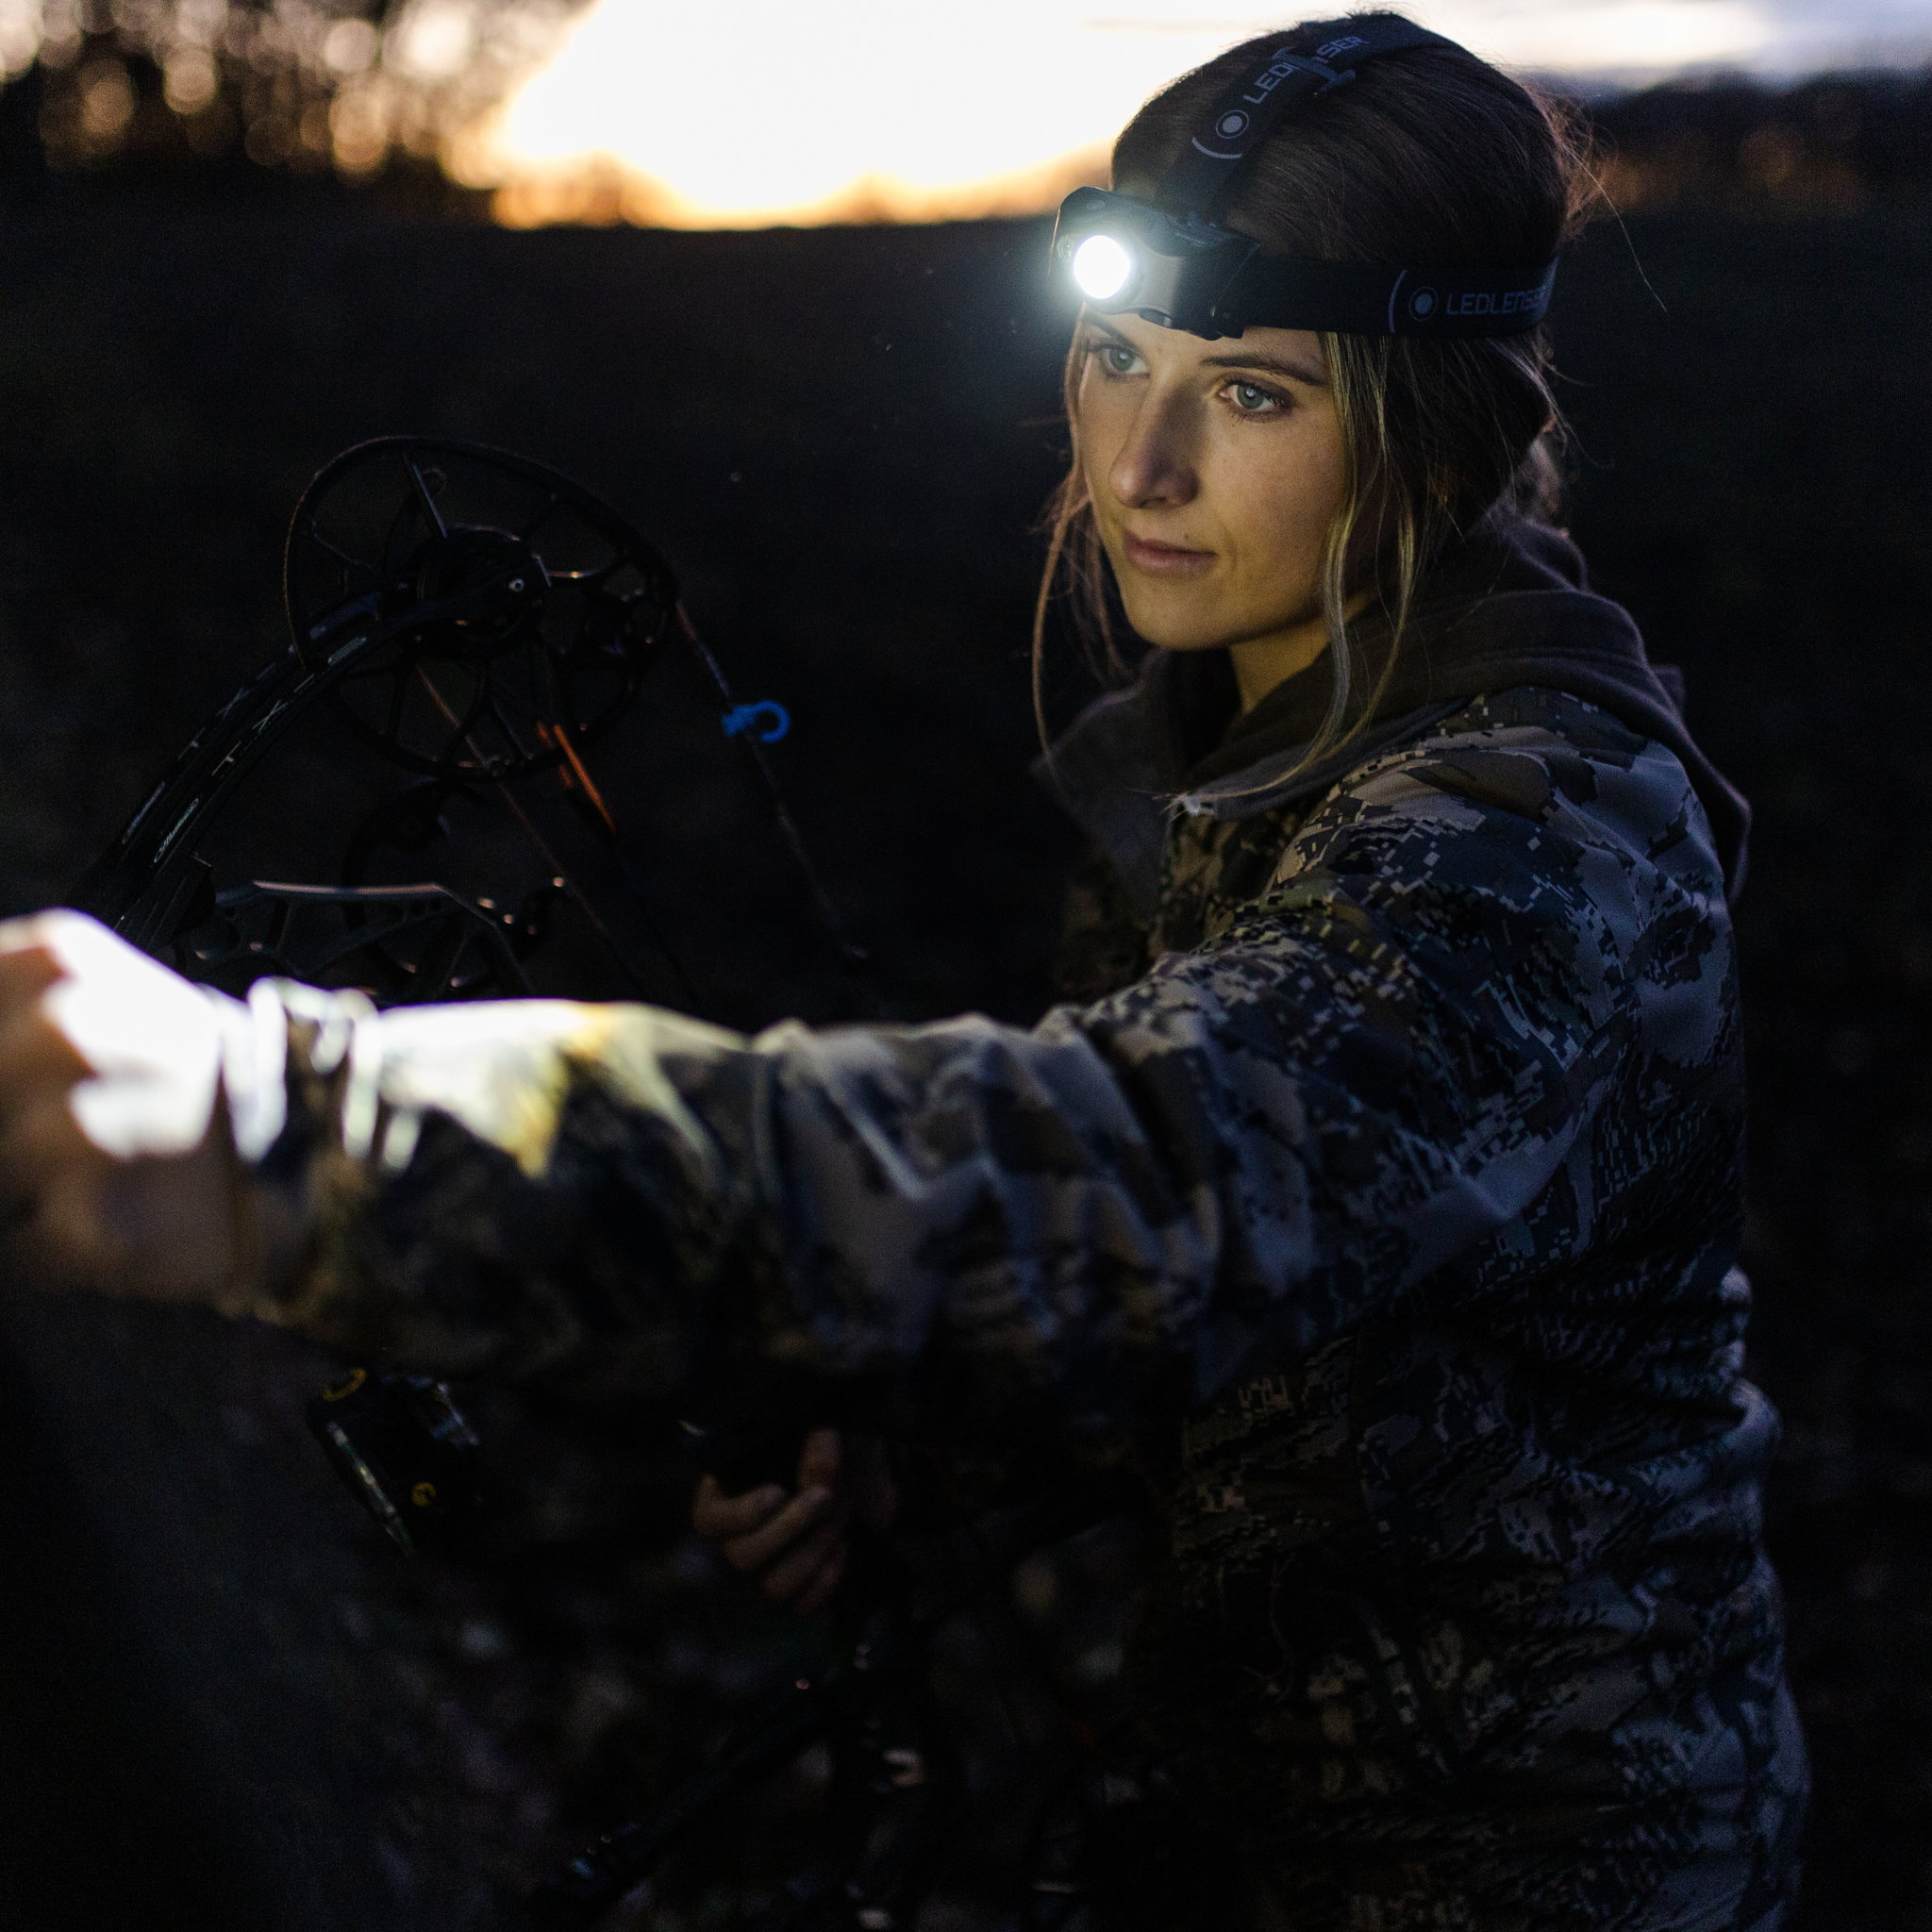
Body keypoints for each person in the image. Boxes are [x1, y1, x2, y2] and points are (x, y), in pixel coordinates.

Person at [0, 14, 1807, 1927]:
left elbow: (1153, 1175)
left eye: (1255, 392)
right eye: (1114, 356)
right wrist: (908, 1430)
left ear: (1453, 433)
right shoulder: (1233, 744)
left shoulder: (1538, 829)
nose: (1142, 461)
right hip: (1233, 1818)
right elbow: (1267, 1324)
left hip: (1543, 1870)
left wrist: (291, 1131)